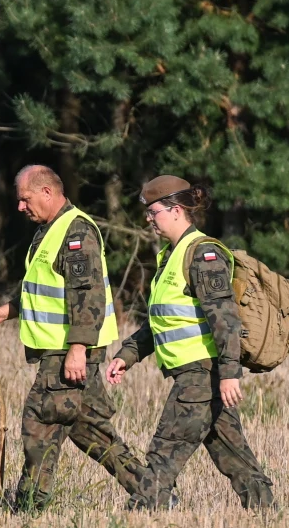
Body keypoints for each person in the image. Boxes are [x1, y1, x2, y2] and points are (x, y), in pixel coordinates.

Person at [0, 166, 151, 511]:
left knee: (39, 426)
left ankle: (26, 509)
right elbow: (46, 291)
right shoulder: (48, 231)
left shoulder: (76, 231)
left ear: (47, 192)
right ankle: (154, 493)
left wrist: (77, 350)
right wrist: (7, 310)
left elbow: (88, 295)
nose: (21, 207)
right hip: (61, 349)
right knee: (90, 432)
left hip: (66, 350)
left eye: (25, 199)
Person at [105, 175, 275, 510]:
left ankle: (142, 517)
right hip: (197, 373)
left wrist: (229, 374)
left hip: (202, 373)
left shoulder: (203, 254)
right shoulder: (171, 255)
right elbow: (164, 321)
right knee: (233, 456)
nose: (148, 219)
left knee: (164, 452)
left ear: (177, 210)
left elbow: (225, 318)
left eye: (154, 211)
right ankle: (267, 515)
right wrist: (128, 355)